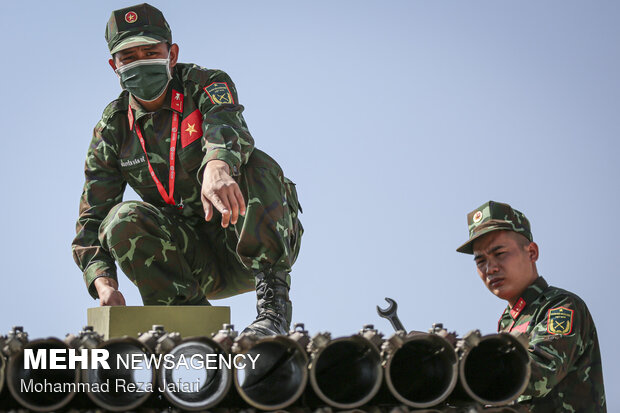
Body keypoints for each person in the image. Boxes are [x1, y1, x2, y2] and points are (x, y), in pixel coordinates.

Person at [71, 3, 303, 336]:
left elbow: (227, 125)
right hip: (188, 261)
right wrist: (103, 284)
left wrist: (218, 164)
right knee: (120, 220)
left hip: (245, 243)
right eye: (129, 57)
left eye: (151, 51)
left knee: (257, 165)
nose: (141, 62)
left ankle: (273, 310)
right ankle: (192, 331)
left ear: (172, 53)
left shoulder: (205, 83)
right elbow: (92, 219)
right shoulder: (113, 129)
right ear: (114, 65)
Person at [456, 201, 605, 412]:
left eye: (500, 254)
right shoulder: (510, 319)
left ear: (532, 253)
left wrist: (458, 364)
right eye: (480, 261)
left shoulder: (560, 306)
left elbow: (540, 373)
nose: (490, 268)